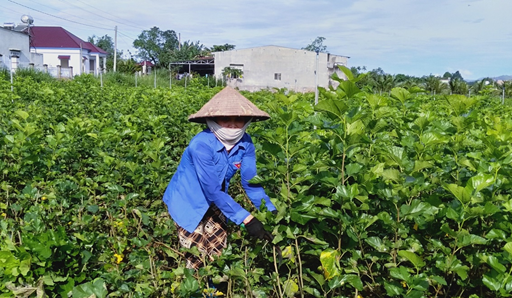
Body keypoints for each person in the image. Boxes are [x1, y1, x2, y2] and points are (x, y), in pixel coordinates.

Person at [162, 86, 277, 270]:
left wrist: (272, 212)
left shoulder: (246, 143)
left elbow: (251, 183)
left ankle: (214, 292)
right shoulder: (200, 145)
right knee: (196, 260)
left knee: (218, 256)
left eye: (238, 120)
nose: (232, 125)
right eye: (225, 119)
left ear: (247, 121)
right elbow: (212, 190)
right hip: (188, 202)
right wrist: (248, 219)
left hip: (218, 203)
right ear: (212, 120)